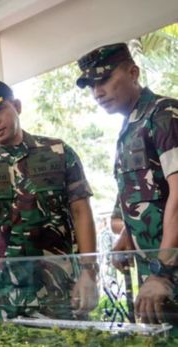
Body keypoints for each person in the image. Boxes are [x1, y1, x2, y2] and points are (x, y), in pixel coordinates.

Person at [0, 80, 98, 319]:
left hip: (60, 290)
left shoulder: (58, 152)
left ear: (17, 106)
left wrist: (89, 273)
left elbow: (81, 213)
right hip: (5, 297)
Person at [76, 43, 178, 324]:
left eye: (104, 80)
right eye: (90, 85)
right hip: (156, 273)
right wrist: (129, 236)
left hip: (167, 271)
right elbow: (148, 195)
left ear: (133, 72)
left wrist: (164, 272)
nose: (97, 92)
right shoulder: (131, 126)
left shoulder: (164, 114)